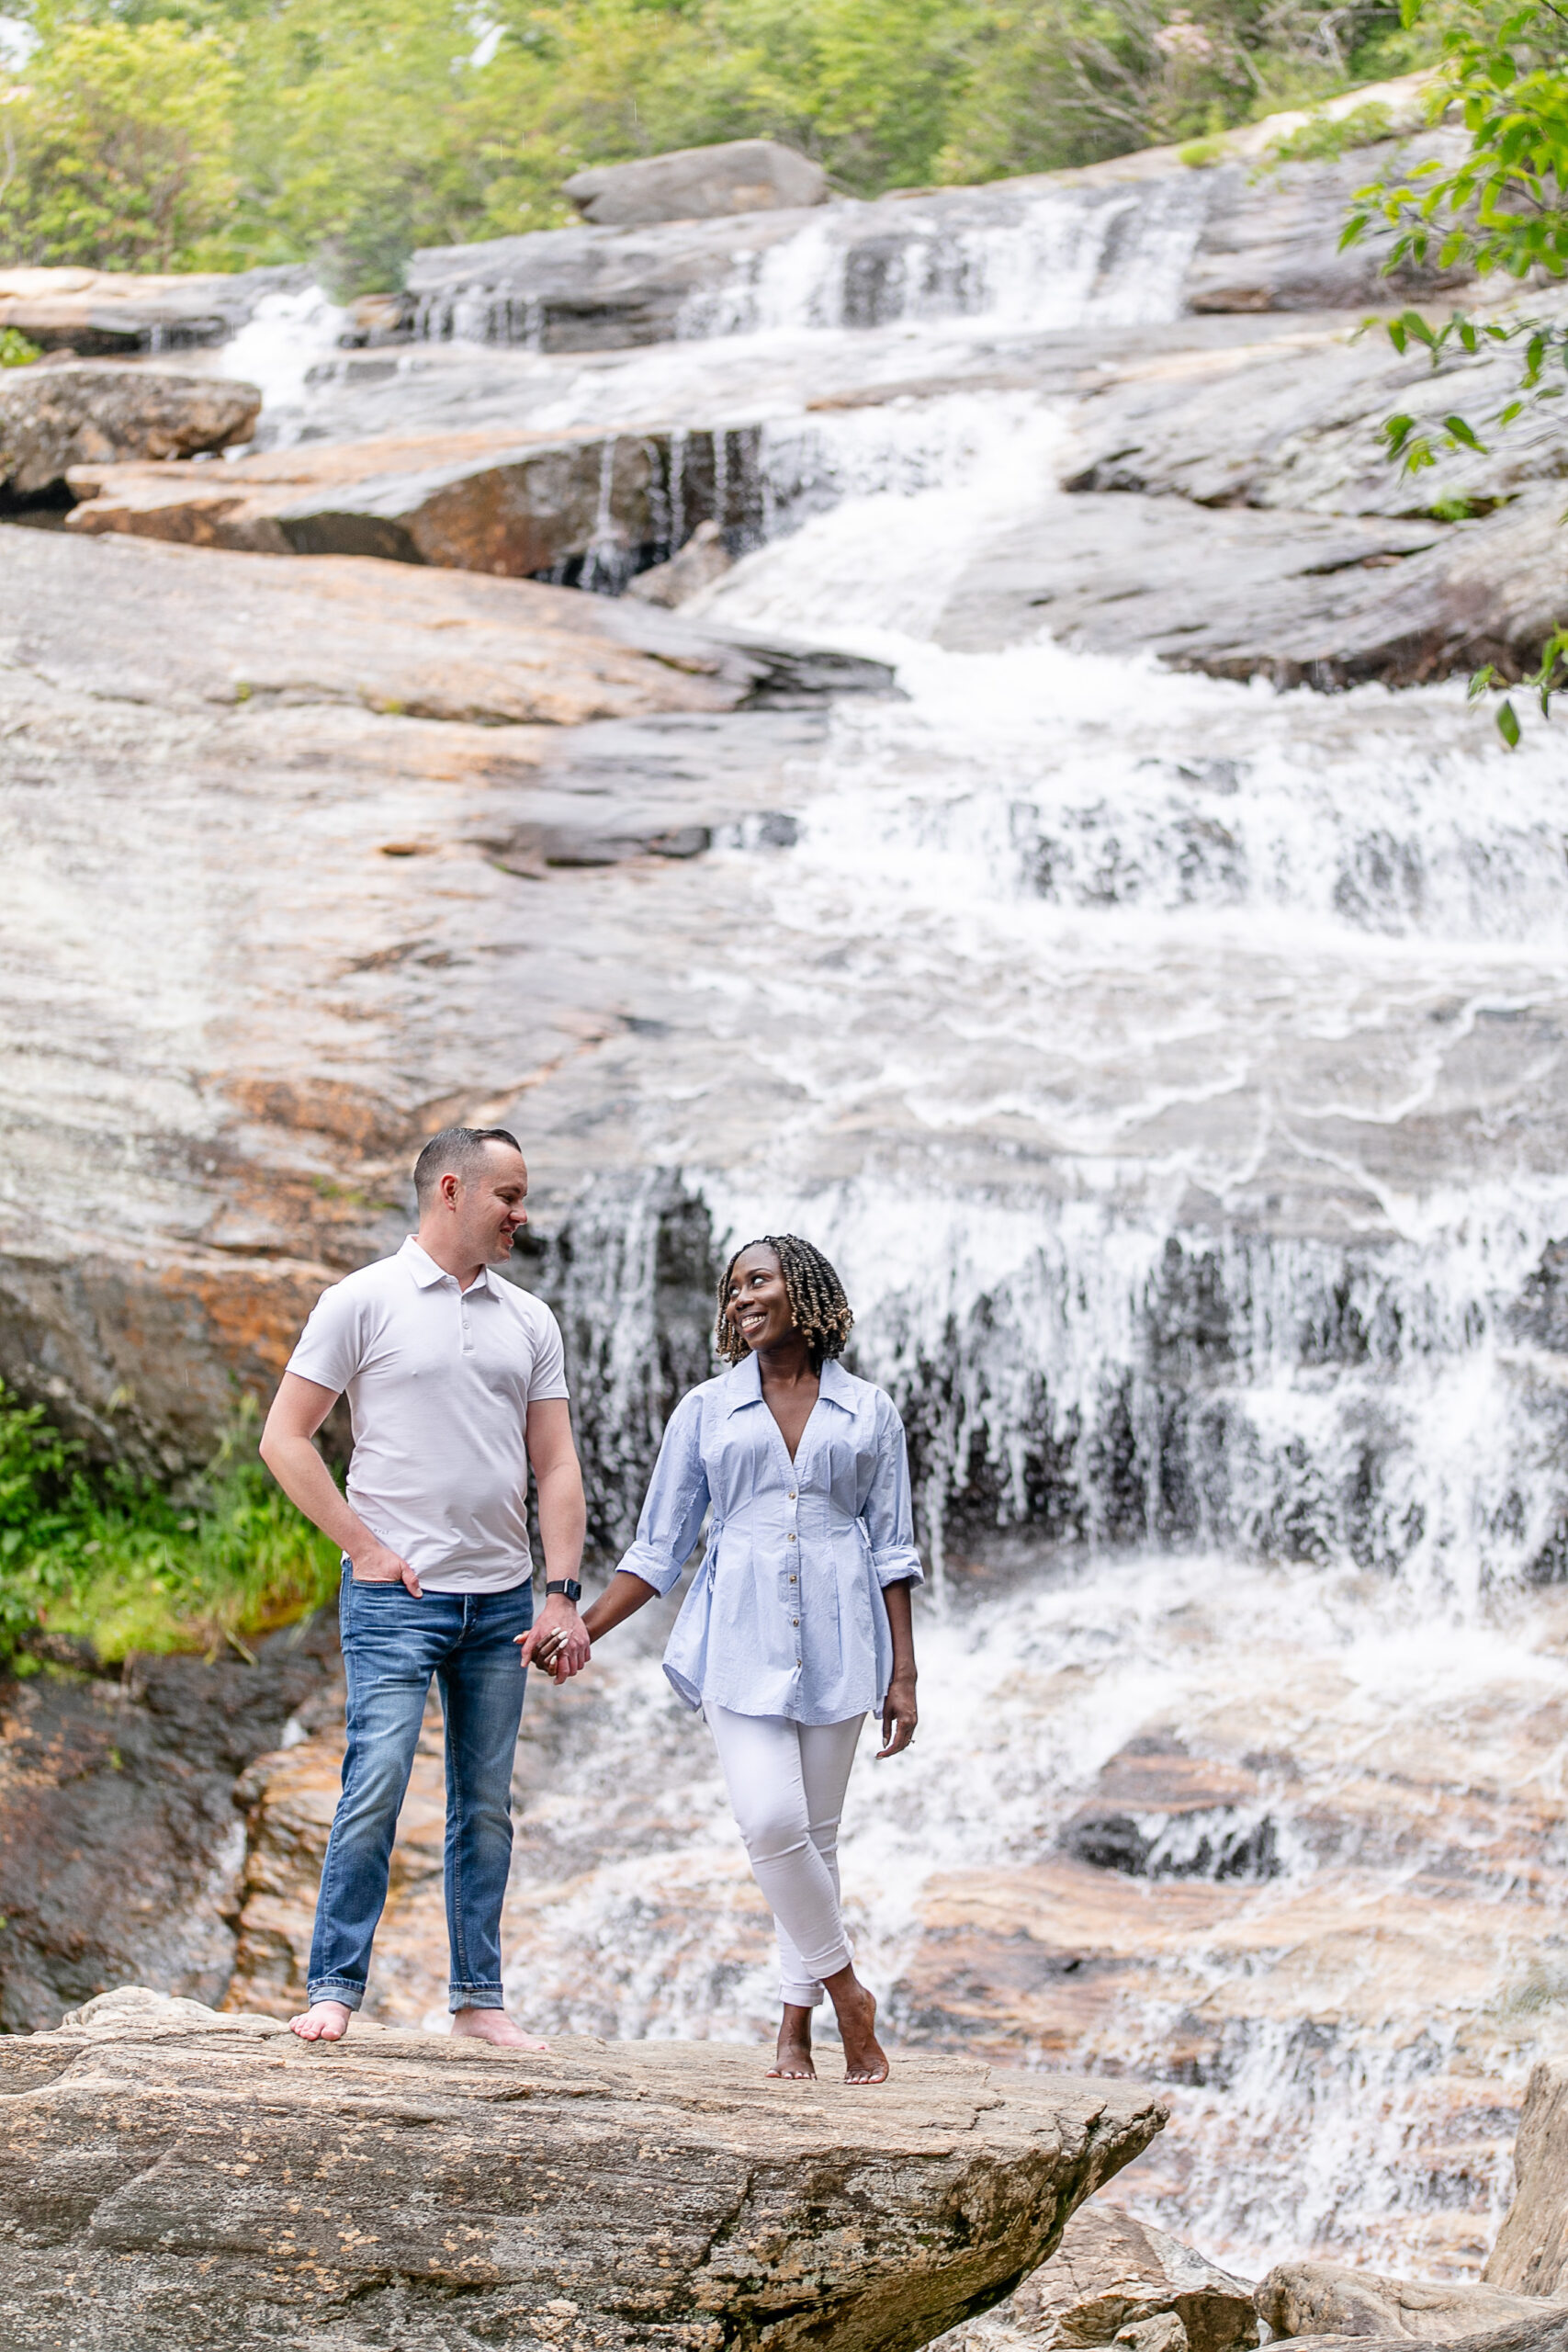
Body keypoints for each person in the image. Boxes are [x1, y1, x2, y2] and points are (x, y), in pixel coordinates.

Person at [258, 1125, 591, 2047]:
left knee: (485, 1804)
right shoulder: (360, 1300)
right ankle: (333, 1988)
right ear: (452, 1188)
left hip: (502, 1605)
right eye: (509, 1196)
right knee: (375, 1782)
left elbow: (557, 1465)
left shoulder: (530, 1320)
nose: (522, 1214)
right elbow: (285, 1439)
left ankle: (478, 2001)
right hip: (395, 1598)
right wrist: (362, 1545)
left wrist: (561, 1591)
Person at [579, 1233, 920, 2084]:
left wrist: (904, 1673)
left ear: (803, 1292)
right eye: (732, 1289)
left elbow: (893, 1550)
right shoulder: (703, 1410)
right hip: (736, 1637)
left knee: (816, 1839)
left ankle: (792, 2029)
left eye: (756, 1281)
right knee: (771, 1824)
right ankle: (849, 1995)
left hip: (843, 1642)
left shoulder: (870, 1412)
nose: (739, 1298)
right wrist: (585, 1627)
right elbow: (657, 1549)